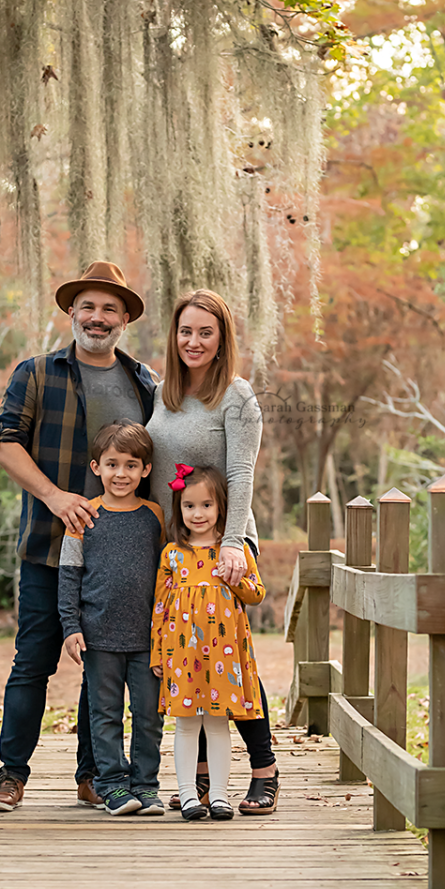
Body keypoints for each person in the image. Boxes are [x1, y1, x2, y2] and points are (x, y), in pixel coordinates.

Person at [0, 262, 157, 812]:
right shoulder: (36, 373)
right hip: (48, 548)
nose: (97, 317)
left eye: (110, 308)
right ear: (71, 312)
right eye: (88, 306)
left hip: (117, 560)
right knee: (33, 661)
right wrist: (54, 496)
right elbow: (4, 442)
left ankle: (94, 776)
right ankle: (12, 775)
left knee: (102, 669)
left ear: (125, 317)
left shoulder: (144, 381)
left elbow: (159, 460)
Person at [147, 288, 280, 815]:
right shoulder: (162, 394)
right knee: (191, 658)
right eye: (186, 331)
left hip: (224, 545)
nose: (194, 341)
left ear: (222, 338)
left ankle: (265, 768)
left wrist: (232, 547)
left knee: (230, 660)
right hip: (177, 547)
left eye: (206, 332)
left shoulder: (238, 396)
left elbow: (242, 474)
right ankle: (203, 776)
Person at [58, 421, 165, 815]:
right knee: (104, 716)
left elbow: (166, 573)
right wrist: (71, 627)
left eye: (132, 465)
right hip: (99, 636)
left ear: (146, 470)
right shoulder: (85, 517)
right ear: (96, 467)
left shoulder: (155, 515)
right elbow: (68, 576)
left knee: (148, 716)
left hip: (147, 638)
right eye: (113, 464)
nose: (122, 474)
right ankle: (112, 786)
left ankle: (146, 785)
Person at [151, 465, 266, 820]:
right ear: (178, 509)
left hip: (224, 651)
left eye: (206, 505)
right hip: (182, 652)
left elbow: (256, 594)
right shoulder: (172, 554)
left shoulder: (235, 551)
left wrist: (234, 579)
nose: (197, 514)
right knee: (186, 723)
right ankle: (188, 795)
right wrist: (158, 652)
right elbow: (159, 607)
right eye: (189, 506)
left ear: (222, 509)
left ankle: (218, 796)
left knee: (218, 723)